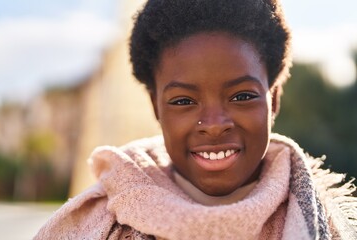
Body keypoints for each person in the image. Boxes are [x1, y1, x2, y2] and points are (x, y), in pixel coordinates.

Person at [35, 0, 357, 239]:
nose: (215, 124)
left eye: (242, 96)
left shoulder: (326, 221)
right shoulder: (100, 223)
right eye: (184, 101)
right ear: (157, 108)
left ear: (273, 100)